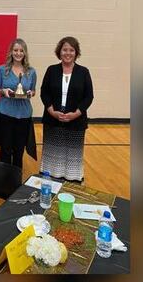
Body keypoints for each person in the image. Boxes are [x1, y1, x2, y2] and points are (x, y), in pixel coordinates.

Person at [40, 36, 94, 182]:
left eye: (71, 50)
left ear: (76, 53)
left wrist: (76, 114)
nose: (68, 53)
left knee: (72, 153)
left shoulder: (84, 72)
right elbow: (44, 92)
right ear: (60, 51)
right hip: (53, 120)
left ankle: (72, 179)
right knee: (53, 150)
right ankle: (51, 180)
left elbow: (89, 96)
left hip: (76, 121)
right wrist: (51, 111)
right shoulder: (51, 70)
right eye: (65, 49)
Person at [0, 38, 37, 169]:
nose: (18, 53)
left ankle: (16, 181)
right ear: (11, 52)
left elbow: (34, 90)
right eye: (15, 50)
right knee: (6, 149)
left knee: (19, 151)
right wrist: (3, 91)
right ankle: (3, 180)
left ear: (25, 53)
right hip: (5, 113)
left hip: (24, 114)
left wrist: (30, 93)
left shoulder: (31, 71)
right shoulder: (2, 69)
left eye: (21, 50)